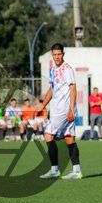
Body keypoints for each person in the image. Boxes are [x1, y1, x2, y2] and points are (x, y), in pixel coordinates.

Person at [35, 43, 82, 180]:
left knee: (48, 134)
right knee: (69, 138)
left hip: (64, 110)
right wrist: (43, 104)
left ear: (63, 54)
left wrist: (71, 109)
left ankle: (54, 169)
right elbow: (52, 89)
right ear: (52, 55)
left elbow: (73, 89)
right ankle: (76, 171)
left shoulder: (67, 69)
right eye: (54, 54)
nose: (57, 57)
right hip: (58, 110)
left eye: (59, 54)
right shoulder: (53, 70)